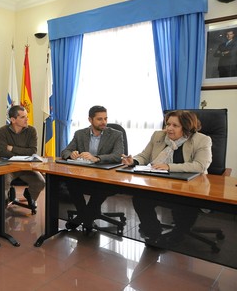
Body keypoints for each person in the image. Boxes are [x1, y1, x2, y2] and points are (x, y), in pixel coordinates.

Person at [122, 110, 212, 246]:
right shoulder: (158, 135)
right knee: (140, 198)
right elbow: (145, 155)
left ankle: (179, 233)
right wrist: (133, 161)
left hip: (191, 187)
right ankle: (154, 232)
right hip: (160, 184)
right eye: (168, 124)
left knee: (184, 204)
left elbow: (200, 165)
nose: (169, 128)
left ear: (186, 127)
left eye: (175, 125)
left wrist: (169, 166)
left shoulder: (201, 140)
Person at [60, 105, 124, 231]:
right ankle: (87, 215)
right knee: (70, 182)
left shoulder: (116, 135)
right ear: (90, 120)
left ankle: (83, 217)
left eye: (105, 118)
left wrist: (97, 158)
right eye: (100, 119)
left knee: (101, 188)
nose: (104, 122)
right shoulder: (80, 134)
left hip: (106, 178)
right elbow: (65, 151)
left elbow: (118, 155)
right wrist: (71, 155)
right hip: (85, 176)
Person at [0, 105, 45, 208]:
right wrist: (23, 152)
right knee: (3, 182)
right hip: (8, 167)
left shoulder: (32, 130)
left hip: (27, 167)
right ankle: (2, 207)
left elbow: (32, 151)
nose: (27, 119)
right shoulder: (3, 130)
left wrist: (12, 148)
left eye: (26, 116)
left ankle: (30, 195)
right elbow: (2, 152)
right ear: (13, 120)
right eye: (23, 117)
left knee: (40, 182)